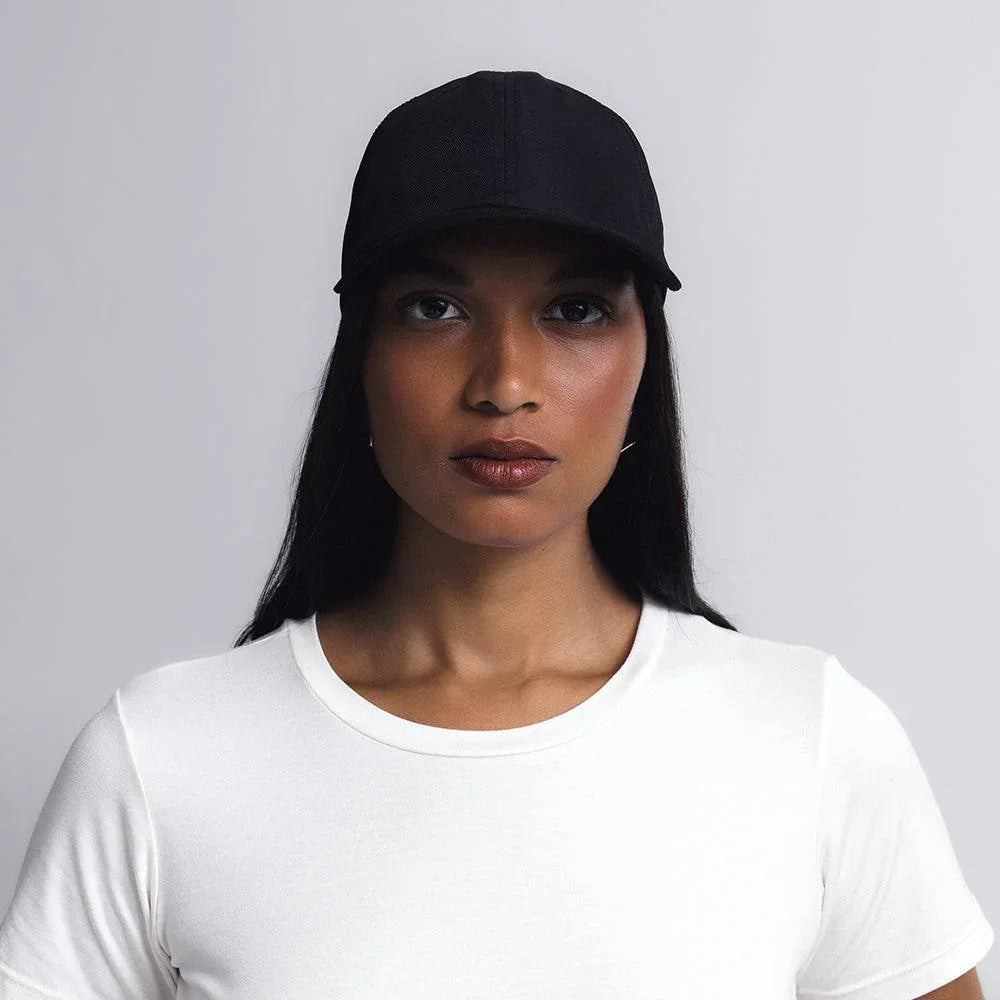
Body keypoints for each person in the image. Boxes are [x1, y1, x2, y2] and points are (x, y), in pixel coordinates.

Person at [0, 70, 991, 1000]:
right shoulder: (164, 756)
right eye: (434, 308)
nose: (504, 381)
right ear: (363, 356)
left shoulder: (808, 738)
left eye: (575, 310)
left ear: (646, 356)